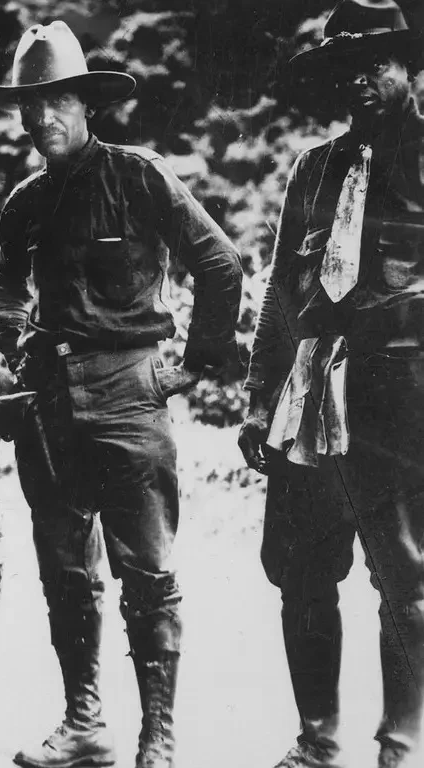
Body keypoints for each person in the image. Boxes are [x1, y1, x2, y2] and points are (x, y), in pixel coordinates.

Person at [0, 21, 243, 768]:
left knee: (147, 575)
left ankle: (158, 737)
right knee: (66, 572)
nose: (41, 117)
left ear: (87, 105)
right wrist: (15, 342)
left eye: (57, 100)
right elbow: (4, 286)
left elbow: (220, 264)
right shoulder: (26, 203)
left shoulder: (139, 177)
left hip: (130, 394)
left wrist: (194, 365)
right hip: (49, 404)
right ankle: (84, 724)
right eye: (30, 104)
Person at [238, 1, 424, 766]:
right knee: (304, 574)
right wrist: (259, 398)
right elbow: (282, 290)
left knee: (406, 578)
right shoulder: (313, 169)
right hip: (312, 394)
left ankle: (399, 743)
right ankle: (316, 740)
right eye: (347, 68)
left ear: (411, 68)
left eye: (377, 63)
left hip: (403, 399)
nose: (361, 80)